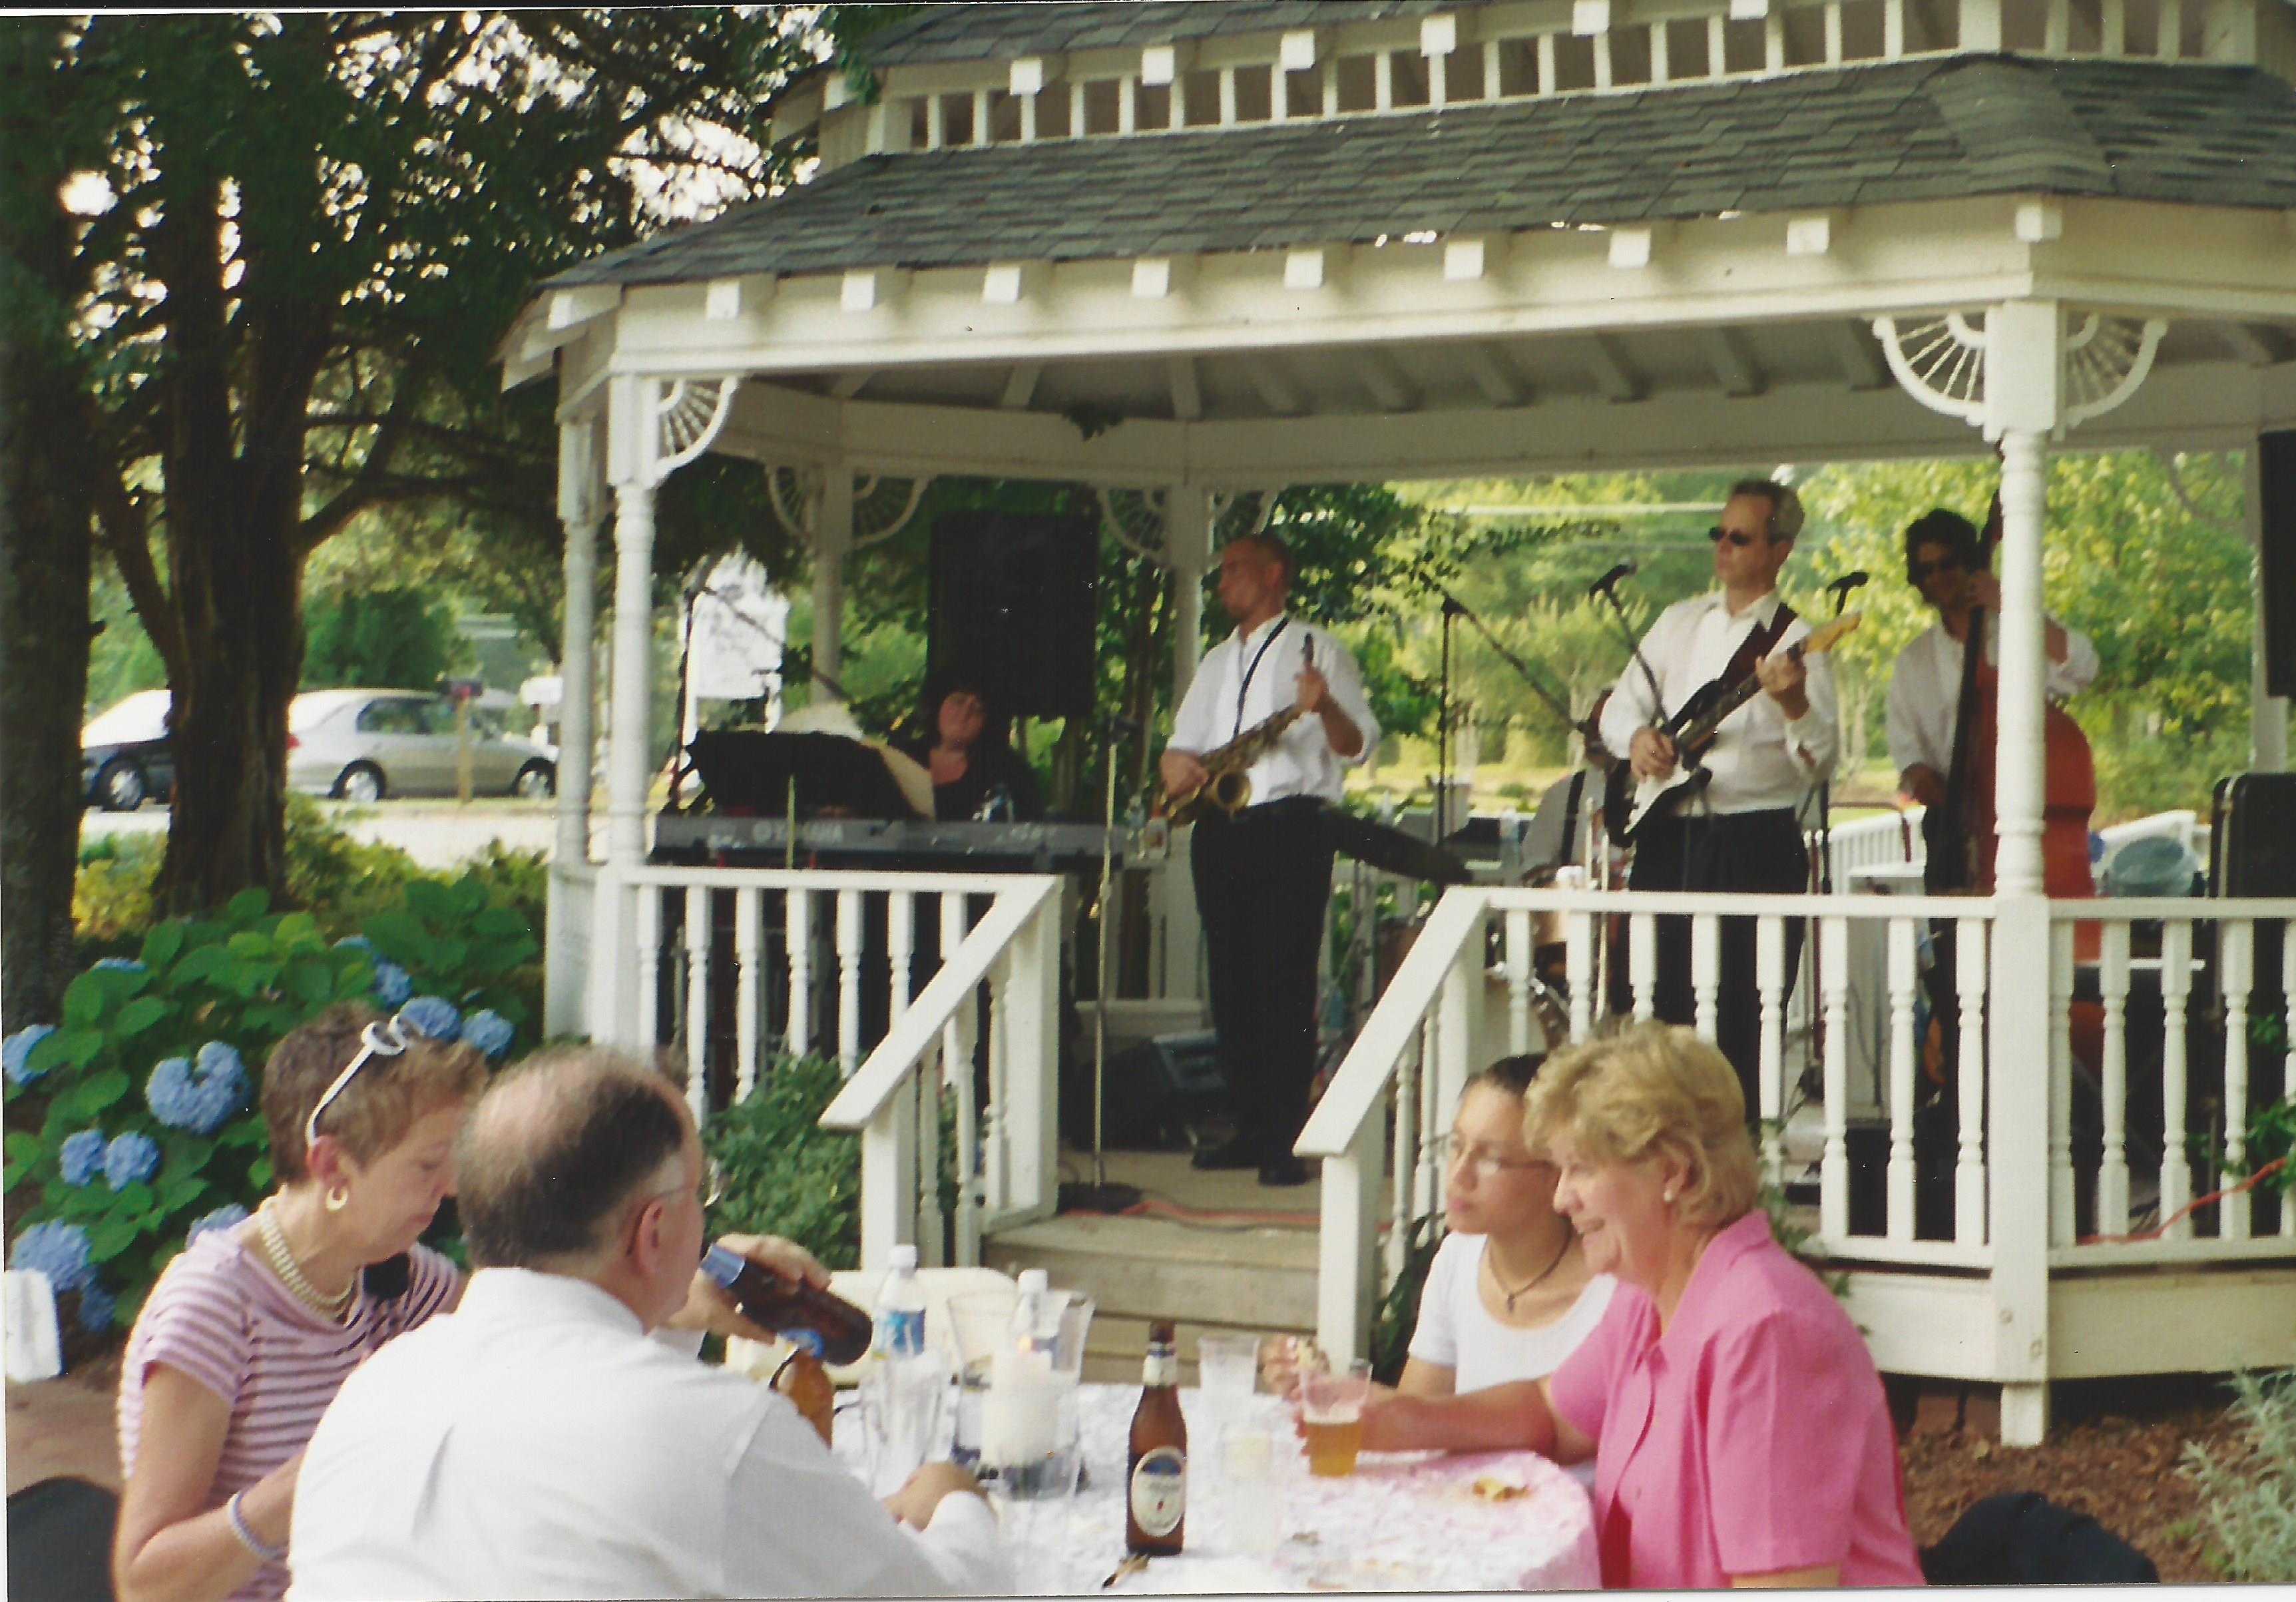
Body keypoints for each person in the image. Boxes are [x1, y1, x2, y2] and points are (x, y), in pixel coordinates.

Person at [286, 1046, 1008, 1599]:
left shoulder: (373, 1392)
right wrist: (955, 1504)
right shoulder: (716, 1431)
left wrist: (665, 1312)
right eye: (703, 1190)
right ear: (656, 1229)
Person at [1355, 1025, 1925, 1591]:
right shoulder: (1647, 1297)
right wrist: (1394, 1418)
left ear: (1672, 1172)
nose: (1561, 1198)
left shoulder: (1765, 1332)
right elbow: (1552, 1416)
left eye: (1581, 1168)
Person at [113, 1003, 489, 1602]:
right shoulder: (213, 1307)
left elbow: (521, 1330)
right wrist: (314, 1478)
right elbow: (147, 1583)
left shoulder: (397, 1277)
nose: (450, 1189)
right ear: (332, 1165)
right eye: (426, 1165)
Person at [1598, 478, 1838, 1114]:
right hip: (1668, 833)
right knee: (1649, 1006)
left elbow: (1820, 762)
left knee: (1741, 1019)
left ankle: (1738, 1168)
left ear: (1780, 550)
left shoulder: (1797, 639)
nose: (1724, 547)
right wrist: (1639, 740)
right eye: (1720, 534)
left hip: (1752, 842)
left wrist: (1794, 705)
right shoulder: (1678, 622)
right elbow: (1617, 712)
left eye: (1741, 537)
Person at [1159, 531, 1379, 1187]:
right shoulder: (1216, 661)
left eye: (1233, 569)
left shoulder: (1320, 650)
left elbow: (1357, 745)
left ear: (1274, 572)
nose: (1222, 582)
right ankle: (1251, 1126)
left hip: (1288, 826)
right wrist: (1174, 764)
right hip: (1222, 826)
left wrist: (1325, 704)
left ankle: (1288, 1136)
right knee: (1231, 985)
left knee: (1283, 983)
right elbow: (1182, 747)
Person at [1268, 1055, 1613, 1402]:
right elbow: (1416, 1418)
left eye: (1490, 1159)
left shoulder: (1613, 1288)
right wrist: (1317, 1383)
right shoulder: (1458, 1256)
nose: (1459, 1174)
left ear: (1557, 1173)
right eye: (1457, 1145)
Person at [1885, 505, 2096, 820]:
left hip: (2027, 808)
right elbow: (1908, 757)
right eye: (1926, 570)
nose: (1938, 577)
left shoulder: (2019, 629)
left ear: (1970, 563)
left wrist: (2013, 603)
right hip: (1950, 821)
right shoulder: (1912, 662)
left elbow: (2084, 668)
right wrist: (1938, 791)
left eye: (1947, 564)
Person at [888, 674, 1046, 823]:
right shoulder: (900, 757)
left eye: (978, 709)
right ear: (938, 705)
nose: (965, 713)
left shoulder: (1010, 771)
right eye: (959, 701)